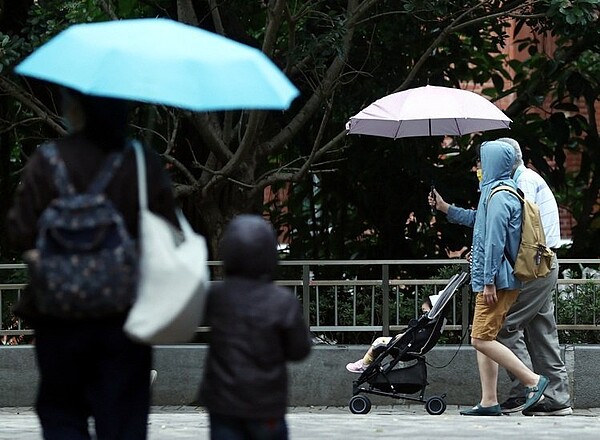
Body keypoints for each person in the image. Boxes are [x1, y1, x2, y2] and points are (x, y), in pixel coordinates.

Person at [7, 88, 179, 439]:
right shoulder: (139, 161)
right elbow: (168, 230)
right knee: (123, 419)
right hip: (124, 319)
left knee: (62, 415)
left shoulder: (48, 161)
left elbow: (19, 229)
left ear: (78, 110)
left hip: (58, 317)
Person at [428, 140, 548, 416]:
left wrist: (489, 280)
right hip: (496, 278)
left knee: (480, 339)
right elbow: (478, 223)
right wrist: (446, 208)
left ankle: (533, 381)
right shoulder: (494, 194)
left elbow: (493, 243)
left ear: (494, 163)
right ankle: (489, 401)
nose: (478, 167)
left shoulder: (499, 197)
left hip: (498, 281)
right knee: (486, 337)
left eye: (482, 162)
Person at [199, 214, 312, 440]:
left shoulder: (216, 296)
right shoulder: (282, 301)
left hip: (222, 402)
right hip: (266, 403)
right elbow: (300, 350)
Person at [494, 137, 572, 416]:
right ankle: (557, 398)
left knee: (505, 327)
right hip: (544, 263)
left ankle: (527, 389)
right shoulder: (528, 177)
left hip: (535, 265)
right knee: (541, 333)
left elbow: (519, 228)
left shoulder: (523, 182)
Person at [346, 299, 433, 373]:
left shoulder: (425, 326)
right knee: (381, 342)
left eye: (424, 312)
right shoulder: (430, 327)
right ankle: (366, 363)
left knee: (379, 341)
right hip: (407, 346)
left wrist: (404, 335)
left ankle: (364, 365)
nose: (422, 315)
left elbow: (414, 335)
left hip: (404, 347)